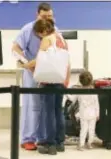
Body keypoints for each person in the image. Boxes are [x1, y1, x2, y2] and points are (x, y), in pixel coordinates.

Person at [12, 2, 69, 151]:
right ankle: (29, 138)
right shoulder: (27, 29)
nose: (48, 19)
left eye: (50, 16)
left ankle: (45, 139)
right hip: (35, 75)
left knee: (48, 109)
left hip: (49, 75)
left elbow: (43, 58)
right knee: (33, 107)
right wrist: (25, 63)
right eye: (45, 16)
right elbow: (15, 48)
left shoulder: (53, 32)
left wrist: (26, 64)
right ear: (37, 15)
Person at [66, 71, 100, 151]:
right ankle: (89, 144)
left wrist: (66, 94)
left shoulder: (79, 91)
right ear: (91, 80)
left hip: (83, 114)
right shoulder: (94, 92)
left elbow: (72, 99)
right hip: (93, 114)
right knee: (92, 129)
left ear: (80, 81)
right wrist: (98, 114)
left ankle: (81, 145)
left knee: (83, 129)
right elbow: (96, 104)